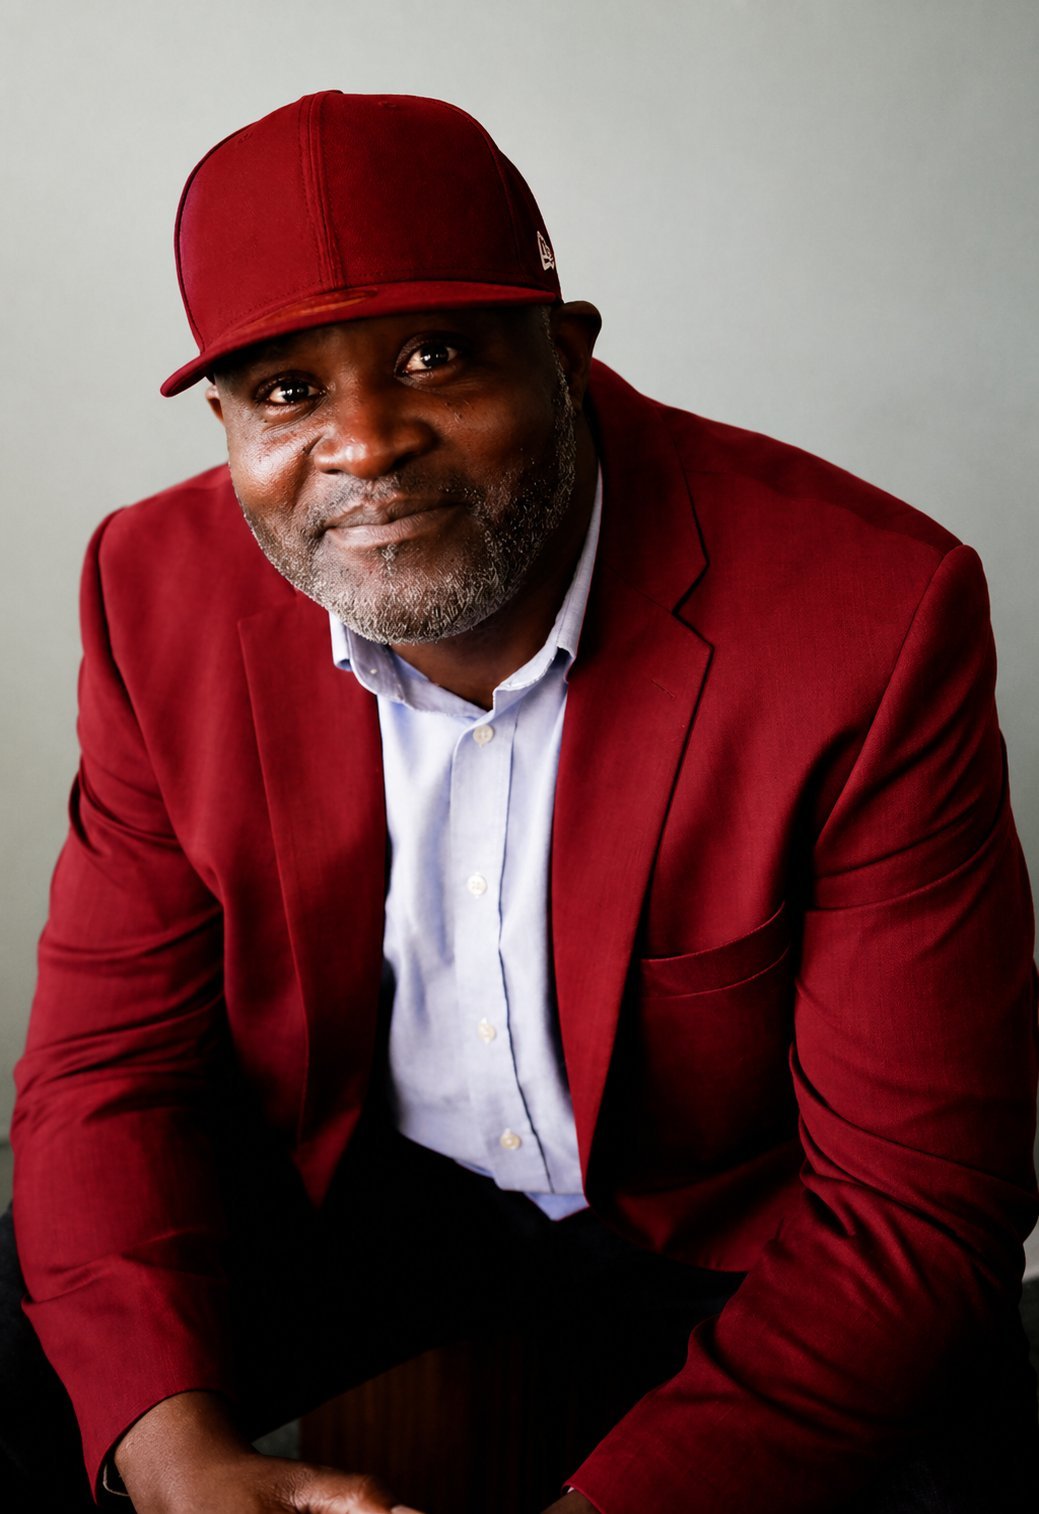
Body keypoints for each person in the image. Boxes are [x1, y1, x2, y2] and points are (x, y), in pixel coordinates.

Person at [5, 90, 1038, 1514]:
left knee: (966, 1443)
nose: (364, 443)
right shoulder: (150, 592)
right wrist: (178, 1462)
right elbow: (103, 1075)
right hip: (357, 1178)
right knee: (64, 1342)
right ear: (232, 421)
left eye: (435, 355)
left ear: (565, 353)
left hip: (732, 1224)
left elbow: (917, 1212)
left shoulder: (871, 618)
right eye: (287, 391)